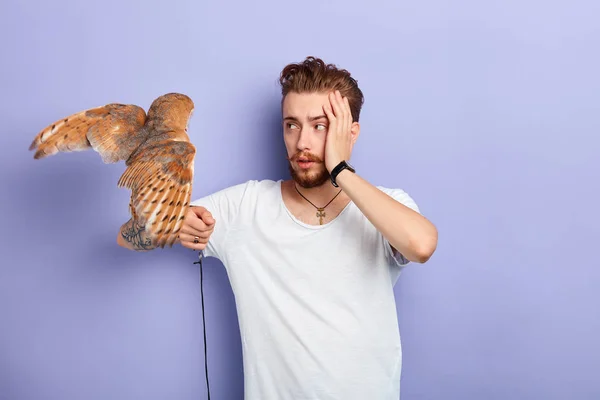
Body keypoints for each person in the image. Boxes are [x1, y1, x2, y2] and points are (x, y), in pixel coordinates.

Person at [120, 56, 438, 399]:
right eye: (292, 124)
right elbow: (128, 236)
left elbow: (421, 245)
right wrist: (172, 222)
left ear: (351, 133)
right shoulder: (246, 206)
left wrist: (340, 169)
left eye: (320, 126)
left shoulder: (385, 205)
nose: (302, 142)